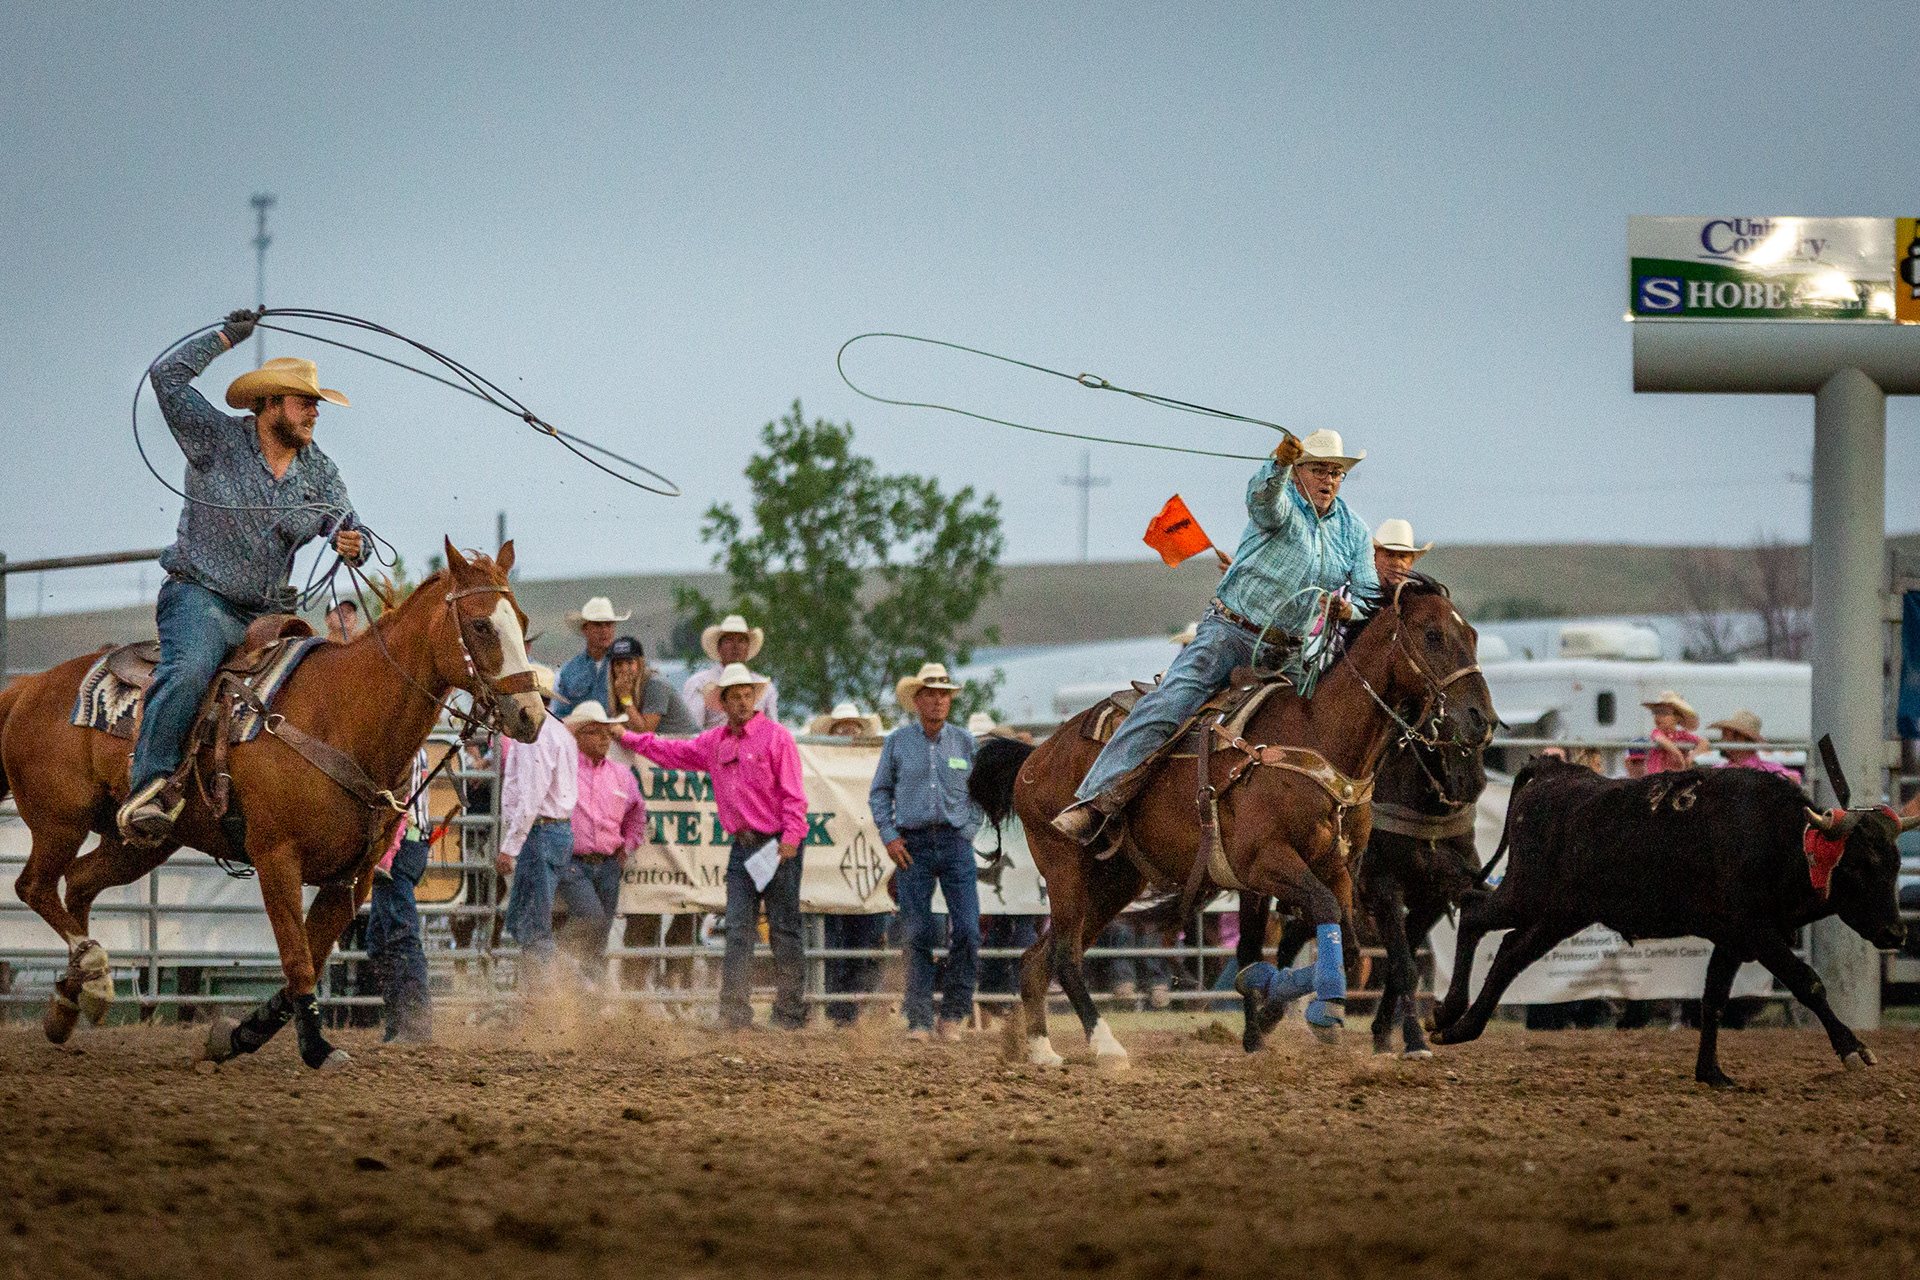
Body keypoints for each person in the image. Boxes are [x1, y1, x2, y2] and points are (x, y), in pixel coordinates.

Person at [118, 311, 370, 844]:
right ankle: (150, 786)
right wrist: (226, 337)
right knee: (188, 672)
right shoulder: (214, 438)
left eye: (317, 406)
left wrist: (355, 543)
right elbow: (166, 378)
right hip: (199, 597)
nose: (314, 414)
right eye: (305, 403)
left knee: (315, 688)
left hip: (268, 614)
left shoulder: (319, 471)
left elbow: (349, 526)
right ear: (270, 403)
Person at [1054, 429, 1378, 842]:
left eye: (1336, 472)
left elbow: (1370, 597)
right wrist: (1276, 464)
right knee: (1169, 704)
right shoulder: (1281, 506)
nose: (1328, 480)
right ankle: (1097, 801)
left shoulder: (1353, 531)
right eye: (1318, 469)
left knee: (1328, 728)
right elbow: (1262, 501)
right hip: (1230, 633)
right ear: (1298, 472)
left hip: (1292, 653)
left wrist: (1349, 609)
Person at [621, 665, 810, 1030]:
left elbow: (794, 795)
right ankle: (736, 1014)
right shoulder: (715, 742)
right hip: (744, 846)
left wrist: (790, 837)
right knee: (739, 928)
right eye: (734, 696)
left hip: (776, 844)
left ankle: (788, 1014)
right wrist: (628, 738)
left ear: (754, 698)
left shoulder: (777, 738)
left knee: (783, 929)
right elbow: (670, 751)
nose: (741, 702)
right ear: (722, 703)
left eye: (745, 695)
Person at [871, 662, 983, 1042]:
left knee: (968, 929)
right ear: (917, 700)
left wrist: (968, 830)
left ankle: (953, 1013)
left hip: (954, 841)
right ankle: (919, 1017)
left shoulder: (965, 742)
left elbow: (980, 794)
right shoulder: (897, 743)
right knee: (917, 931)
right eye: (931, 694)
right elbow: (880, 791)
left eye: (943, 694)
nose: (938, 700)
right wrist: (889, 835)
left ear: (949, 700)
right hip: (912, 843)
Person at [557, 701, 646, 990]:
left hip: (608, 863)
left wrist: (628, 845)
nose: (605, 739)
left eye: (607, 733)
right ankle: (558, 957)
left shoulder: (622, 774)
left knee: (600, 931)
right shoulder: (565, 770)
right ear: (579, 736)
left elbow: (637, 813)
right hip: (573, 862)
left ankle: (588, 1005)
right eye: (596, 733)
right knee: (593, 919)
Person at [498, 663, 577, 988]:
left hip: (540, 834)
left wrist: (508, 848)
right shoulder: (559, 732)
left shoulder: (537, 736)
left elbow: (531, 797)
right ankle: (552, 990)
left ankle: (555, 998)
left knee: (531, 924)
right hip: (553, 833)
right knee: (524, 922)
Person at [368, 748, 434, 1042]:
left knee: (399, 936)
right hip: (410, 844)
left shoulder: (403, 745)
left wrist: (386, 853)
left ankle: (414, 1027)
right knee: (380, 940)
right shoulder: (412, 744)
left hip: (399, 848)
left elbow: (399, 804)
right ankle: (400, 1024)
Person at [683, 614, 778, 730]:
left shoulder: (764, 686)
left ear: (748, 647)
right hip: (713, 745)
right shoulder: (699, 683)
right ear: (719, 648)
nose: (735, 646)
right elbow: (693, 730)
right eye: (729, 641)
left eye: (741, 641)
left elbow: (773, 729)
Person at [551, 597, 631, 718]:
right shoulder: (569, 669)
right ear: (585, 629)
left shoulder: (628, 664)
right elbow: (561, 712)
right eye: (598, 625)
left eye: (608, 625)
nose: (604, 630)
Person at [606, 635, 700, 735]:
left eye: (630, 663)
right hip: (665, 744)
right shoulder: (620, 687)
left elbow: (644, 732)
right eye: (618, 664)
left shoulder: (655, 685)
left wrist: (625, 697)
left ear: (640, 663)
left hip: (686, 743)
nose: (624, 670)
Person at [1708, 710, 1801, 782]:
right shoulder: (1718, 769)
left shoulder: (1766, 770)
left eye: (1725, 735)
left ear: (1741, 739)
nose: (1721, 740)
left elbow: (1793, 778)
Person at [1642, 691, 1702, 774]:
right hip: (1657, 778)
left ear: (1677, 717)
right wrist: (1677, 753)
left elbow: (1704, 742)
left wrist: (1693, 755)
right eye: (1655, 712)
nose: (1658, 716)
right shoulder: (1657, 732)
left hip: (1677, 779)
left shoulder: (1683, 735)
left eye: (1663, 713)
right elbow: (1660, 739)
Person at [1371, 518, 1432, 590]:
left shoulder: (1421, 599)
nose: (1396, 563)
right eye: (1389, 555)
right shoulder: (1358, 596)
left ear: (1411, 563)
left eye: (1402, 556)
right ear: (1374, 559)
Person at [806, 702, 884, 738]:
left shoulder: (866, 759)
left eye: (854, 731)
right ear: (831, 733)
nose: (849, 736)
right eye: (843, 731)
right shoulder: (823, 759)